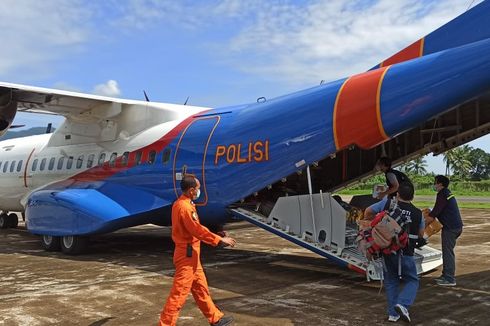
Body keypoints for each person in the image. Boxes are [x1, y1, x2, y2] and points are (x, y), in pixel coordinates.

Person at [159, 175, 236, 326]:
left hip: (192, 255)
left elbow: (194, 229)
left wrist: (217, 234)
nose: (199, 191)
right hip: (187, 257)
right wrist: (218, 240)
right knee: (179, 294)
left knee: (201, 289)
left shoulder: (183, 203)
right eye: (198, 188)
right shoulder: (185, 207)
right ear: (192, 190)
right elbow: (196, 230)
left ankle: (216, 319)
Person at [364, 182, 424, 323]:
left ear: (397, 194)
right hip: (406, 252)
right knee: (412, 280)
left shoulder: (387, 204)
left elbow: (368, 211)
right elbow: (421, 234)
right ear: (413, 196)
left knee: (391, 281)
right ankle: (403, 304)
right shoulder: (418, 213)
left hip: (387, 249)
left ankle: (393, 314)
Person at [425, 175, 463, 287]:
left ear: (440, 184)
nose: (434, 185)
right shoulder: (447, 193)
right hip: (455, 226)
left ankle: (449, 278)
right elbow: (438, 210)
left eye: (435, 182)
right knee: (448, 251)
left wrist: (422, 224)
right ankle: (445, 274)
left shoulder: (442, 195)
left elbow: (435, 213)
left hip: (450, 228)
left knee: (447, 252)